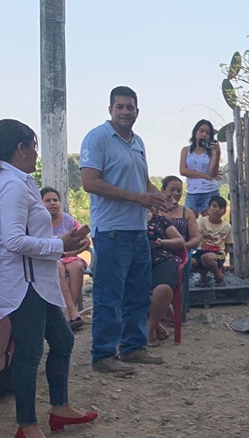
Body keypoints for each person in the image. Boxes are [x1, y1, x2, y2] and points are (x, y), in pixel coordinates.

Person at [0, 119, 97, 438]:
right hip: (23, 282)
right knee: (29, 354)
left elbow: (28, 234)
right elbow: (14, 240)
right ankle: (26, 426)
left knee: (63, 340)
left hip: (35, 280)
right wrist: (60, 245)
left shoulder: (17, 182)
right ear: (21, 148)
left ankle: (60, 408)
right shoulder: (11, 186)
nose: (35, 153)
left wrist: (63, 242)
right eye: (33, 146)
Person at [80, 85, 171, 374]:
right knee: (109, 295)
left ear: (137, 111)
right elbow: (89, 182)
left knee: (138, 293)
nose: (125, 111)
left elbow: (143, 182)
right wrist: (137, 198)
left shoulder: (138, 142)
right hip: (111, 230)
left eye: (130, 107)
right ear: (110, 109)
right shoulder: (97, 138)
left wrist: (157, 197)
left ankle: (133, 347)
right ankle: (103, 355)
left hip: (137, 229)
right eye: (119, 106)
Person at [41, 186, 89, 331]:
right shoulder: (38, 221)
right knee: (58, 268)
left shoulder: (68, 219)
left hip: (69, 257)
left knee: (77, 266)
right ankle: (73, 313)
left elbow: (85, 240)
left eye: (55, 200)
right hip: (51, 257)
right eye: (48, 200)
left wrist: (75, 252)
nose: (52, 203)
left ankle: (68, 314)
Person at [153, 176, 200, 324]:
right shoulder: (154, 210)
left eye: (179, 190)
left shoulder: (187, 212)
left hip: (180, 252)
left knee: (181, 265)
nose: (175, 193)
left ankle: (175, 309)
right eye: (172, 189)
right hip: (155, 251)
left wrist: (182, 247)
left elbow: (196, 237)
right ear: (162, 190)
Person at [146, 209, 186, 348]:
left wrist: (161, 242)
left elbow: (179, 241)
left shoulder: (159, 219)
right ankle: (156, 324)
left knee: (163, 288)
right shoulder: (127, 220)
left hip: (162, 259)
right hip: (136, 261)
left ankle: (150, 328)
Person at [179, 119, 221, 216]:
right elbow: (183, 171)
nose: (204, 134)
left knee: (209, 221)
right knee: (188, 218)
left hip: (210, 190)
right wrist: (204, 175)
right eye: (201, 131)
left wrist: (217, 154)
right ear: (195, 132)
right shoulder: (186, 150)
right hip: (192, 191)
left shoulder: (211, 151)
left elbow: (212, 173)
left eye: (207, 133)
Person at [195, 195, 231, 286]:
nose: (217, 210)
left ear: (224, 211)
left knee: (207, 258)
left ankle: (219, 276)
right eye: (214, 206)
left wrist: (222, 260)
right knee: (188, 263)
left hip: (218, 253)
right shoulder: (201, 222)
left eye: (221, 208)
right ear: (208, 209)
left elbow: (227, 245)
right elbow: (197, 237)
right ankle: (203, 277)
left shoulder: (227, 227)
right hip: (202, 251)